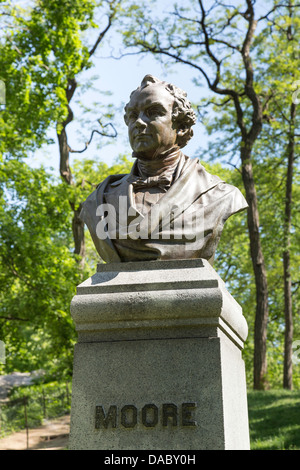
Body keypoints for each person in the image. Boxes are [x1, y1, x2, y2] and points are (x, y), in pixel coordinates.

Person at [80, 74, 248, 264]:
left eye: (153, 112)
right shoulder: (100, 200)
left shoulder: (218, 196)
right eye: (133, 115)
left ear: (182, 126)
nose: (139, 122)